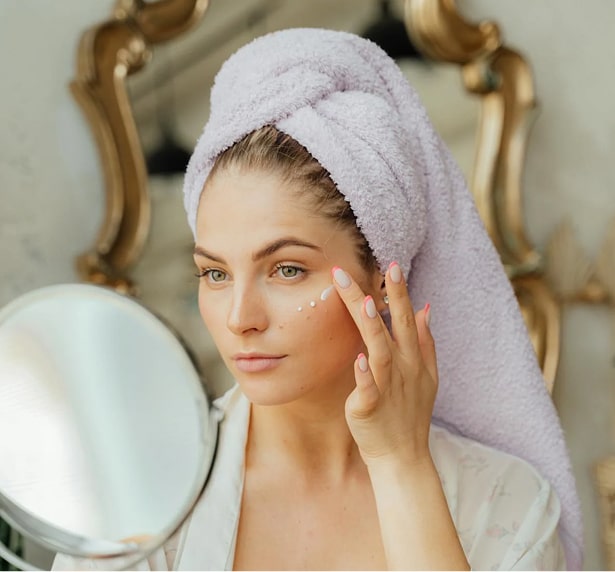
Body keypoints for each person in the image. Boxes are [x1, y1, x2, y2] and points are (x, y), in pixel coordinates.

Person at [54, 27, 583, 570]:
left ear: (383, 277)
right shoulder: (136, 496)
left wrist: (402, 465)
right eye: (215, 273)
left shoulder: (507, 505)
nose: (239, 318)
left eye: (286, 269)